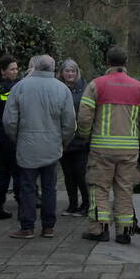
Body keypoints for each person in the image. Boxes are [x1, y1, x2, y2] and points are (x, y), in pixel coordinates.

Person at [77, 46, 140, 245]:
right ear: (125, 63)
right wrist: (137, 138)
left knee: (99, 187)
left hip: (102, 149)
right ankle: (124, 231)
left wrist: (85, 136)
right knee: (124, 189)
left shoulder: (96, 85)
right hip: (129, 149)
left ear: (107, 62)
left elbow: (84, 117)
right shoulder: (138, 87)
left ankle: (98, 230)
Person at [4, 55, 76, 239]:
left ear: (34, 66)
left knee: (27, 186)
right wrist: (64, 141)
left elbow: (9, 120)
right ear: (53, 68)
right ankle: (48, 227)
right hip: (52, 145)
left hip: (27, 144)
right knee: (49, 187)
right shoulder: (62, 89)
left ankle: (27, 226)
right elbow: (69, 123)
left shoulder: (20, 87)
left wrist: (16, 138)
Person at [0, 54, 20, 221]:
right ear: (3, 71)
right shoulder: (9, 88)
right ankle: (24, 205)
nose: (15, 71)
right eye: (12, 69)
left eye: (16, 68)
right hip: (7, 134)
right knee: (17, 170)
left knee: (3, 172)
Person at [58, 59, 90, 216]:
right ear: (61, 72)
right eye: (67, 71)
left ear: (77, 72)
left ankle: (86, 204)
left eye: (73, 71)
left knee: (80, 174)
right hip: (64, 140)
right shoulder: (58, 88)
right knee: (68, 175)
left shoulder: (85, 89)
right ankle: (72, 204)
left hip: (81, 140)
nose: (70, 74)